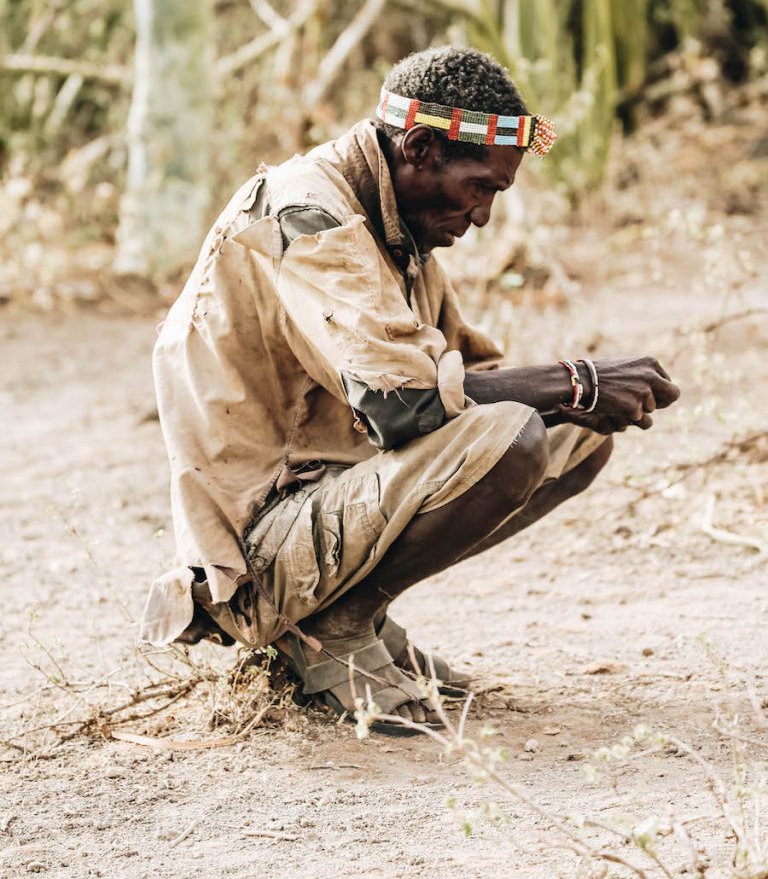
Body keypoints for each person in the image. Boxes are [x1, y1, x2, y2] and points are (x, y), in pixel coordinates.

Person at [140, 46, 680, 734]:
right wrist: (578, 379)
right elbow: (406, 405)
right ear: (420, 147)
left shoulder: (398, 223)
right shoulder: (313, 213)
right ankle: (329, 631)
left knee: (573, 433)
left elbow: (454, 380)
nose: (482, 215)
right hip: (257, 551)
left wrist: (577, 396)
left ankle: (362, 611)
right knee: (519, 435)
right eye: (480, 187)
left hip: (321, 499)